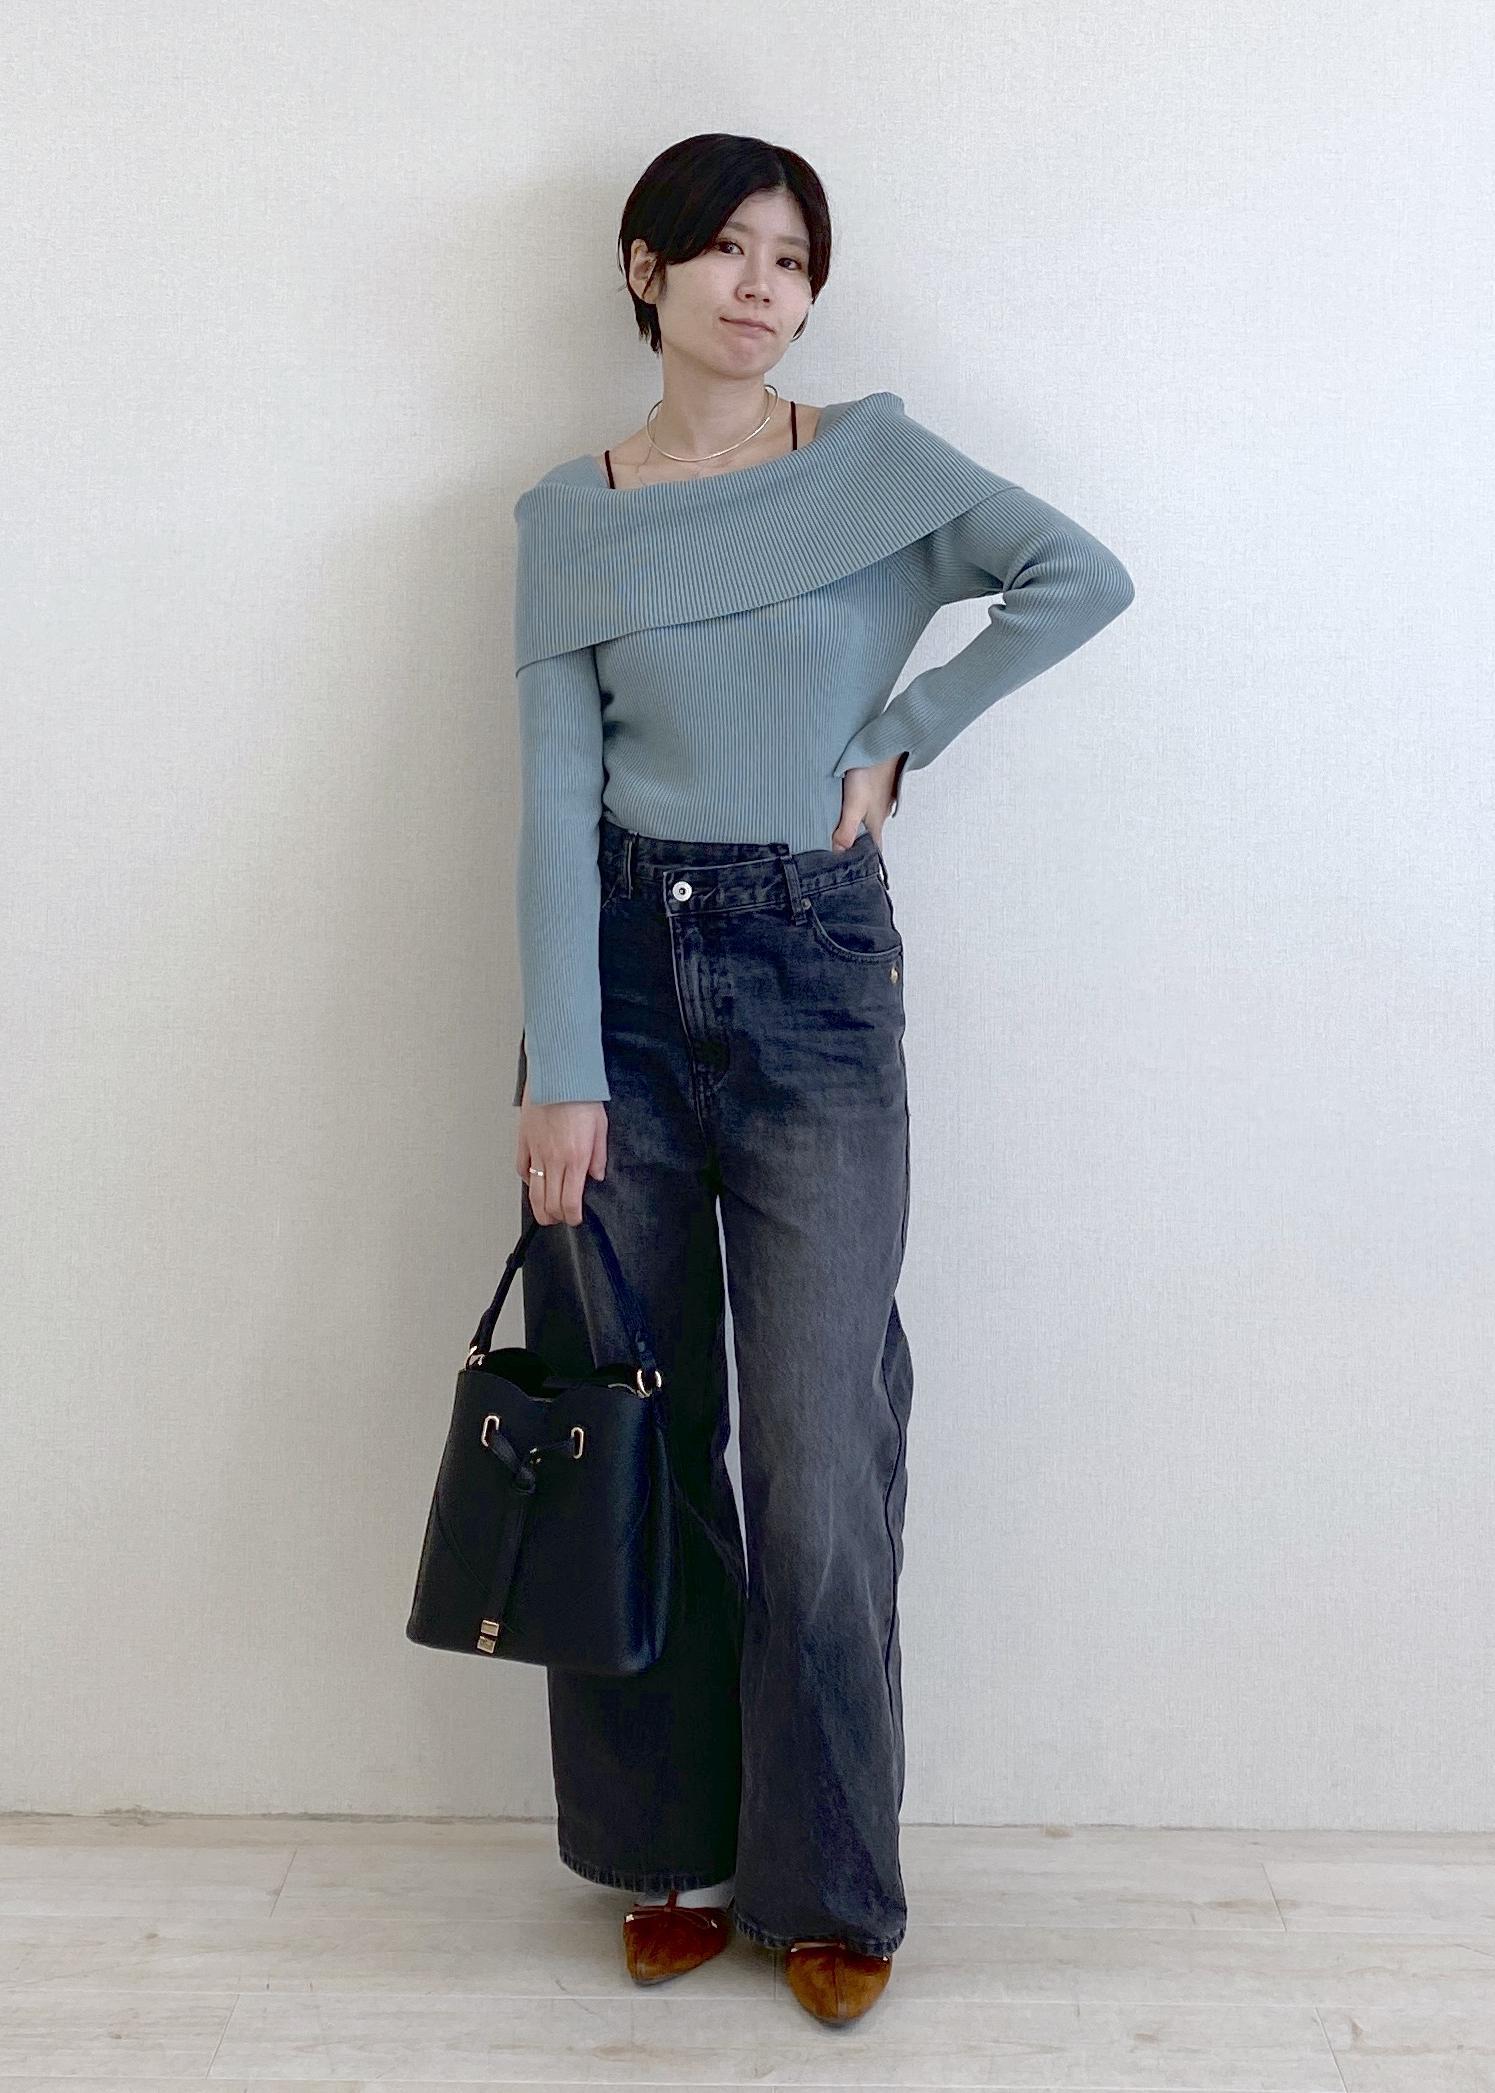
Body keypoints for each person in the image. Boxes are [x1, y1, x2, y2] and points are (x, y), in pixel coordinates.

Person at [507, 131, 1134, 2024]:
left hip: (813, 971)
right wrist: (560, 1065)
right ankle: (667, 1851)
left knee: (821, 1448)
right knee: (642, 1427)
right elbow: (551, 794)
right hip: (621, 976)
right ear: (646, 270)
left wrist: (906, 730)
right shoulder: (566, 513)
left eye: (792, 257)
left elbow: (1078, 574)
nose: (762, 285)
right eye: (724, 248)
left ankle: (831, 1873)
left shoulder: (872, 465)